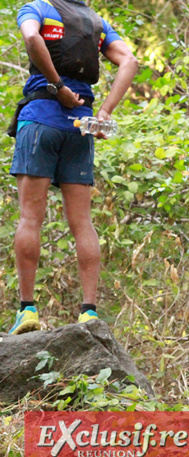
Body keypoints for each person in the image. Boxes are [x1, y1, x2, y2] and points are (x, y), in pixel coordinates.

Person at [7, 0, 138, 335]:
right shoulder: (95, 21)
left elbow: (32, 39)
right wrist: (105, 111)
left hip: (40, 120)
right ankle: (89, 311)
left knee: (30, 217)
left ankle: (27, 309)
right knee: (82, 222)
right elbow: (129, 61)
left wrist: (58, 87)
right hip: (81, 127)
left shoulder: (36, 7)